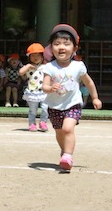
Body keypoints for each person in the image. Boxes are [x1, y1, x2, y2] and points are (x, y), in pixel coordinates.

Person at [42, 24, 102, 171]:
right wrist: (50, 88)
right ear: (51, 48)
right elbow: (44, 86)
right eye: (56, 44)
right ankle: (64, 151)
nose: (61, 47)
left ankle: (68, 156)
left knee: (68, 129)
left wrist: (95, 98)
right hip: (54, 106)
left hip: (73, 104)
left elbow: (88, 82)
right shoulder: (49, 67)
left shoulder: (78, 66)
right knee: (59, 132)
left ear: (74, 49)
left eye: (66, 44)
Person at [19, 43, 48, 132]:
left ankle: (43, 122)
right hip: (32, 92)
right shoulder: (28, 67)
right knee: (33, 110)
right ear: (29, 57)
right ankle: (32, 124)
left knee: (45, 108)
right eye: (33, 55)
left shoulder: (45, 67)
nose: (36, 57)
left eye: (38, 55)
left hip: (44, 91)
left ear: (42, 56)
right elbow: (20, 72)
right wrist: (28, 66)